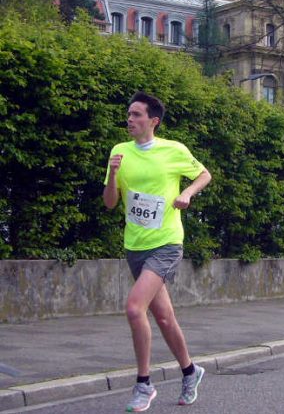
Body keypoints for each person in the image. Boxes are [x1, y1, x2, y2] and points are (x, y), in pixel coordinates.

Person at [103, 92, 212, 412]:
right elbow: (110, 202)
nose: (130, 119)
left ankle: (143, 384)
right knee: (163, 317)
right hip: (135, 245)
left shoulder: (173, 150)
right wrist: (111, 174)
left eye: (137, 115)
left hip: (166, 242)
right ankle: (191, 372)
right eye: (128, 114)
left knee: (135, 308)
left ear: (153, 121)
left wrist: (187, 193)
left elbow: (204, 174)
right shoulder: (119, 152)